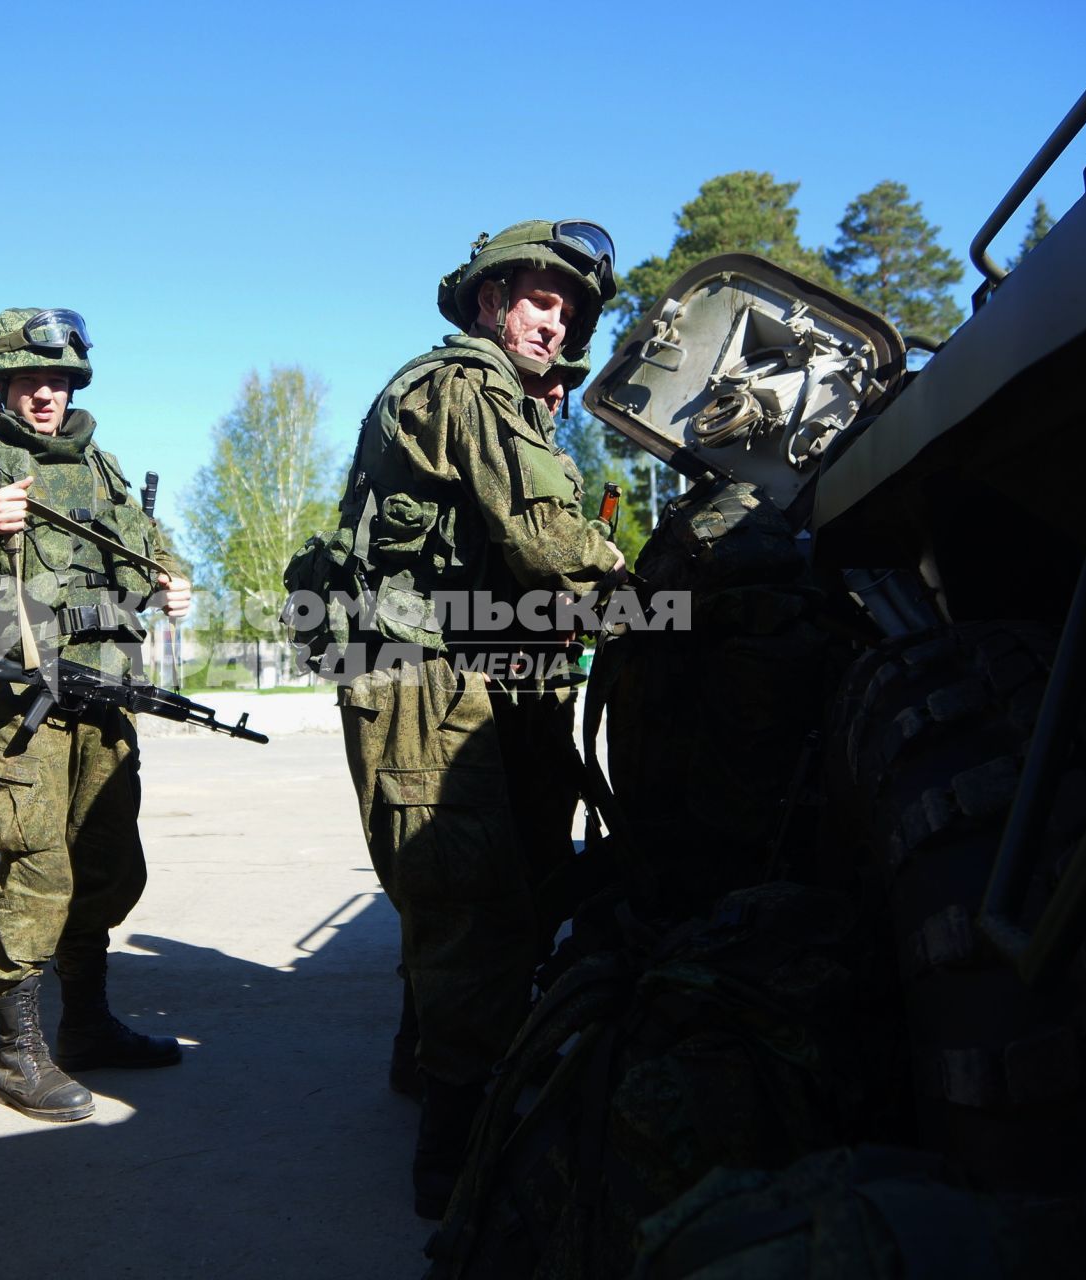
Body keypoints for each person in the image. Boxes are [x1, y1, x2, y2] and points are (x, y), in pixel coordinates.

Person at [326, 221, 626, 1217]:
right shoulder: (467, 381)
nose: (556, 321)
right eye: (542, 300)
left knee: (464, 884)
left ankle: (426, 1065)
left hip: (446, 664)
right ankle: (453, 1167)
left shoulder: (482, 394)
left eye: (567, 310)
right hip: (421, 671)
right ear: (493, 298)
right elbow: (546, 541)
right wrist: (656, 590)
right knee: (467, 900)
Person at [0, 307, 192, 1122]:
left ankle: (88, 1023)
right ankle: (18, 1053)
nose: (46, 396)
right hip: (18, 704)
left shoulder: (101, 463)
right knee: (33, 867)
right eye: (31, 381)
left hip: (107, 697)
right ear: (2, 384)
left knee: (105, 865)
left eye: (59, 381)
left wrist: (172, 580)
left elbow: (151, 544)